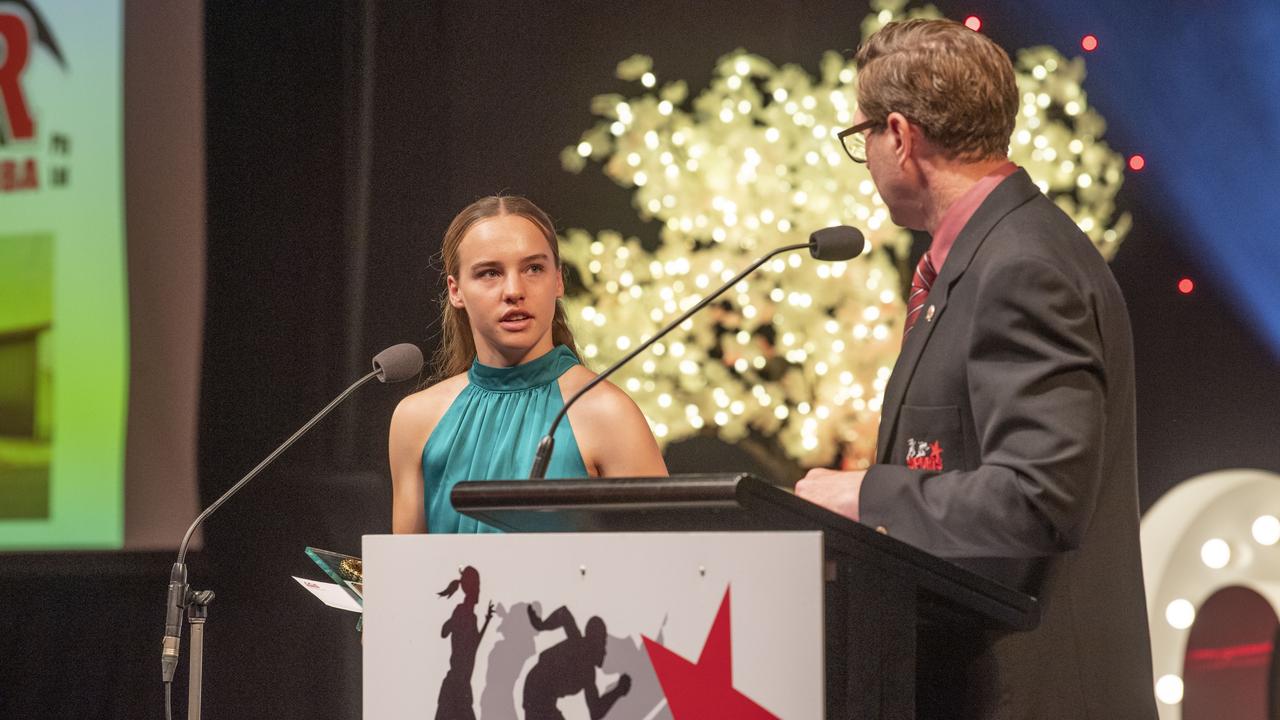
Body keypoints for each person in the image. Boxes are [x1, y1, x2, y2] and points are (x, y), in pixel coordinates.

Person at [795, 19, 1156, 719]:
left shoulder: (1022, 265)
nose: (864, 158)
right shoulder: (987, 256)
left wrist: (865, 498)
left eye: (860, 136)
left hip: (1027, 696)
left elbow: (1037, 499)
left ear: (899, 136)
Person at [389, 195, 667, 534]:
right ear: (456, 290)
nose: (514, 290)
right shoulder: (415, 419)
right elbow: (404, 577)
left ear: (559, 280)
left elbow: (657, 570)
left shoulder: (609, 413)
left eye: (534, 268)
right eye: (490, 272)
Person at [522, 605, 631, 720]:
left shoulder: (588, 673)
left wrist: (618, 691)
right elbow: (564, 614)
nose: (605, 651)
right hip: (537, 692)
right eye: (603, 643)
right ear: (594, 642)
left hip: (538, 693)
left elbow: (595, 713)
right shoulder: (578, 645)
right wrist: (541, 625)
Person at [435, 566, 494, 720]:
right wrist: (454, 621)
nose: (479, 591)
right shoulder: (462, 612)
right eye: (477, 586)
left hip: (460, 688)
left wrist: (487, 621)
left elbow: (473, 647)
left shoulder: (470, 616)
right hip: (456, 688)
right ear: (471, 588)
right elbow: (444, 632)